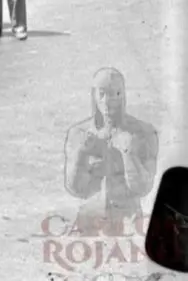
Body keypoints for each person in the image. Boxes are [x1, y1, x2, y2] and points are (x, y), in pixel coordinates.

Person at [64, 68, 159, 237]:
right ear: (93, 95)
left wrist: (129, 154)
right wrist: (81, 154)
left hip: (128, 225)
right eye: (101, 94)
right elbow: (74, 188)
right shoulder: (78, 133)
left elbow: (144, 188)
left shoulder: (143, 133)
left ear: (123, 95)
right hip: (90, 226)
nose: (107, 101)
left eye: (114, 94)